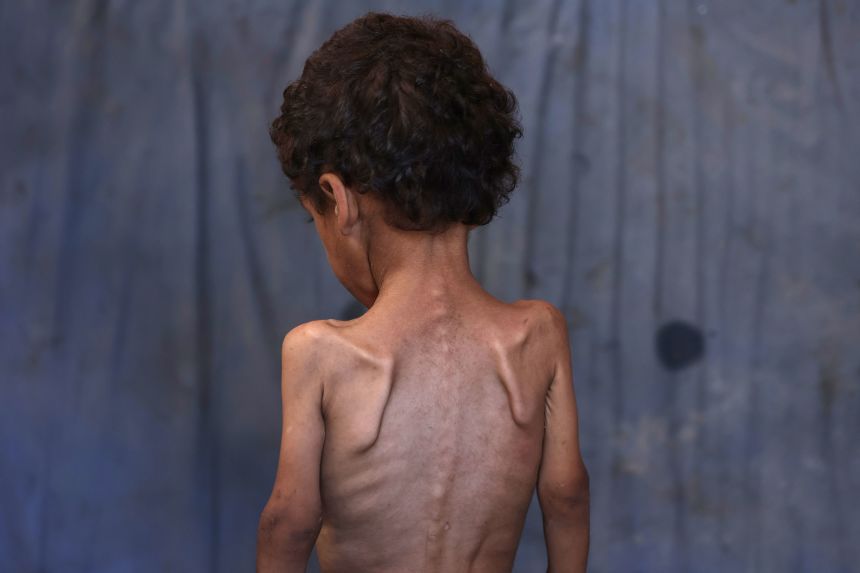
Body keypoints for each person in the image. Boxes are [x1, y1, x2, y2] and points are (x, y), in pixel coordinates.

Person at [257, 11, 589, 573]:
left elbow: (288, 523)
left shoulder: (317, 353)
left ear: (338, 199)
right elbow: (568, 497)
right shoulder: (538, 335)